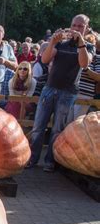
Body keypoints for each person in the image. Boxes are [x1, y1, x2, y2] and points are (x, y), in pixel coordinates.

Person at [26, 14, 95, 172]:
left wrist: (81, 43)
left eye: (80, 26)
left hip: (68, 91)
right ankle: (33, 159)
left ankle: (50, 161)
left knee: (58, 129)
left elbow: (84, 64)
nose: (76, 29)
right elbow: (44, 60)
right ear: (70, 25)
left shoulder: (88, 46)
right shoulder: (61, 43)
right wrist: (52, 42)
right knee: (38, 126)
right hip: (49, 88)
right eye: (74, 25)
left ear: (86, 28)